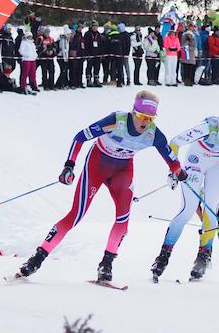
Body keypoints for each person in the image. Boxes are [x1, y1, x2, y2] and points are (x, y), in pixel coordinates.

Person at [14, 91, 184, 284]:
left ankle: (106, 264)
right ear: (134, 112)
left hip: (123, 170)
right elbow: (80, 137)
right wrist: (69, 165)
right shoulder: (116, 120)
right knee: (76, 215)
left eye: (150, 118)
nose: (145, 122)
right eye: (142, 116)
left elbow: (169, 156)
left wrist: (178, 171)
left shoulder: (153, 133)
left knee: (123, 220)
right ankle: (37, 259)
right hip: (97, 165)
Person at [152, 109, 219, 282]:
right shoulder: (207, 128)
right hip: (196, 158)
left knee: (211, 210)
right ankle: (163, 256)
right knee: (187, 209)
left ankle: (203, 257)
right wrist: (173, 171)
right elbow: (174, 142)